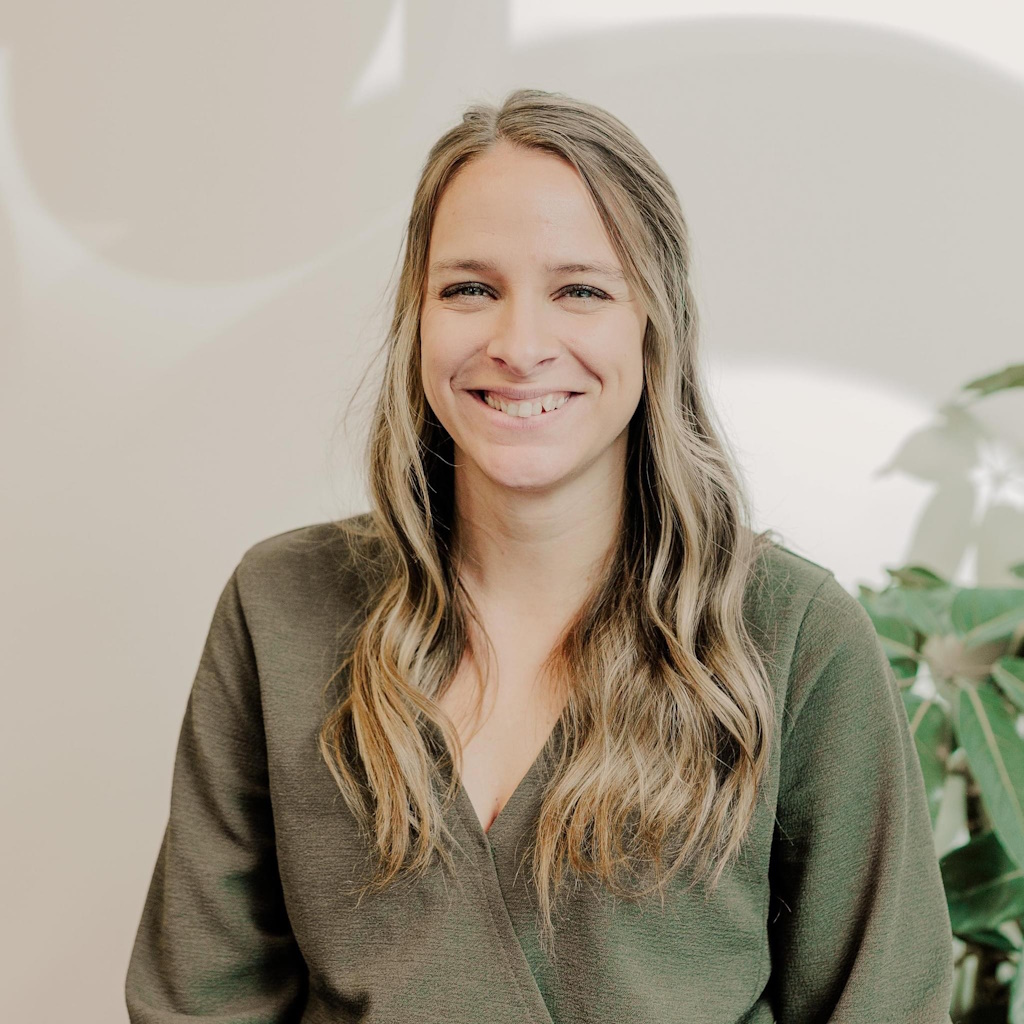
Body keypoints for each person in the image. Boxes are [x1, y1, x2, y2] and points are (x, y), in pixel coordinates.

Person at [125, 87, 954, 1023]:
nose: (519, 345)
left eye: (582, 290)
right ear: (419, 317)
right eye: (471, 288)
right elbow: (198, 1001)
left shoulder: (794, 635)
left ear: (655, 326)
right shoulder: (278, 608)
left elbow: (887, 1004)